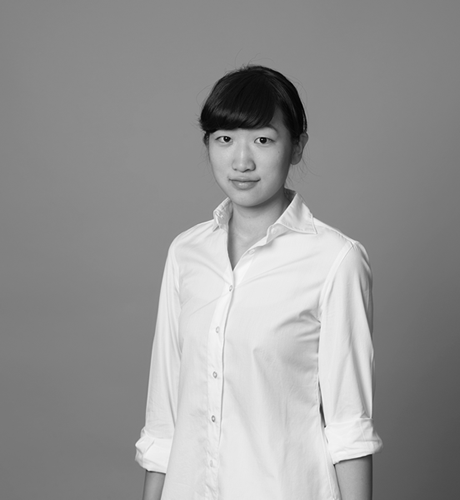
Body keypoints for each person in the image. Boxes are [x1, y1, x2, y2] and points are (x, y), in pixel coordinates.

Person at [135, 65, 383, 500]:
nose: (241, 161)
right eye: (224, 139)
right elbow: (164, 419)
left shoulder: (335, 260)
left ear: (297, 146)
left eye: (263, 140)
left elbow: (349, 427)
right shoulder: (186, 253)